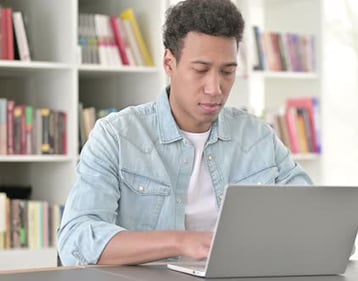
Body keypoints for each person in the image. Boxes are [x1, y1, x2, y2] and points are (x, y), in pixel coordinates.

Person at [57, 0, 312, 266]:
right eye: (200, 70)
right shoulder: (116, 136)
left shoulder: (259, 138)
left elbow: (317, 222)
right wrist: (182, 241)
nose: (215, 88)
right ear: (169, 63)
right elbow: (76, 240)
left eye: (227, 71)